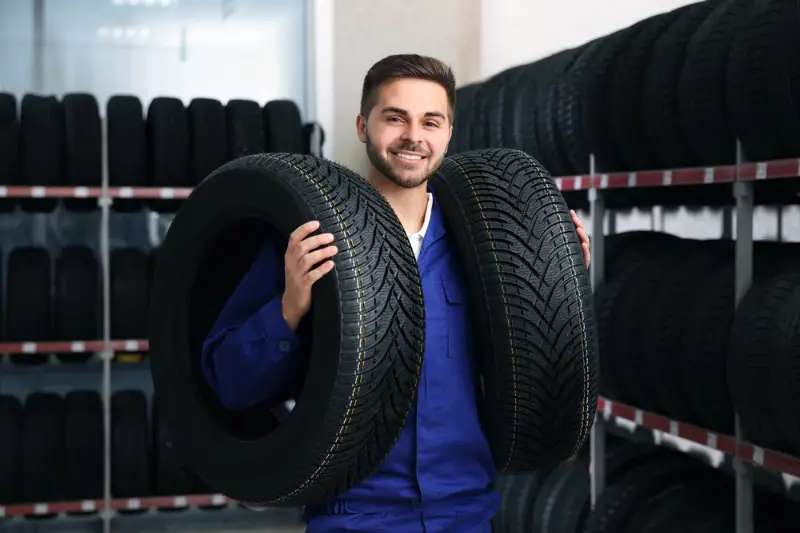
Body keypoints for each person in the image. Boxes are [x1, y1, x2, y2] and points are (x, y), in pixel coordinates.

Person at [201, 54, 592, 533]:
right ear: (364, 126)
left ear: (449, 133)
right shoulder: (307, 238)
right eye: (395, 118)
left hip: (465, 514)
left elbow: (536, 373)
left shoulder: (490, 247)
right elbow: (232, 387)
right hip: (354, 518)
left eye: (431, 121)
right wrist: (289, 308)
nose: (414, 137)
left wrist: (556, 280)